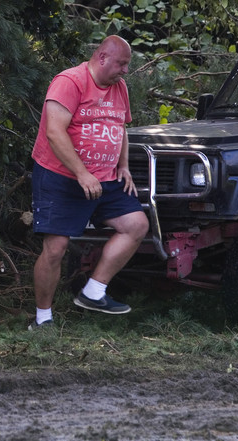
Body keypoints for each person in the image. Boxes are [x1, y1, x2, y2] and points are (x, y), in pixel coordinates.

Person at [29, 34, 149, 328]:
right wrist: (82, 173)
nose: (125, 70)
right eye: (121, 64)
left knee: (137, 225)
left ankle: (94, 291)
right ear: (102, 58)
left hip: (105, 180)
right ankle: (43, 319)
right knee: (55, 249)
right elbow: (54, 133)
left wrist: (124, 165)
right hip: (62, 177)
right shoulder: (70, 82)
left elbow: (120, 126)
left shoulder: (120, 88)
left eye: (127, 65)